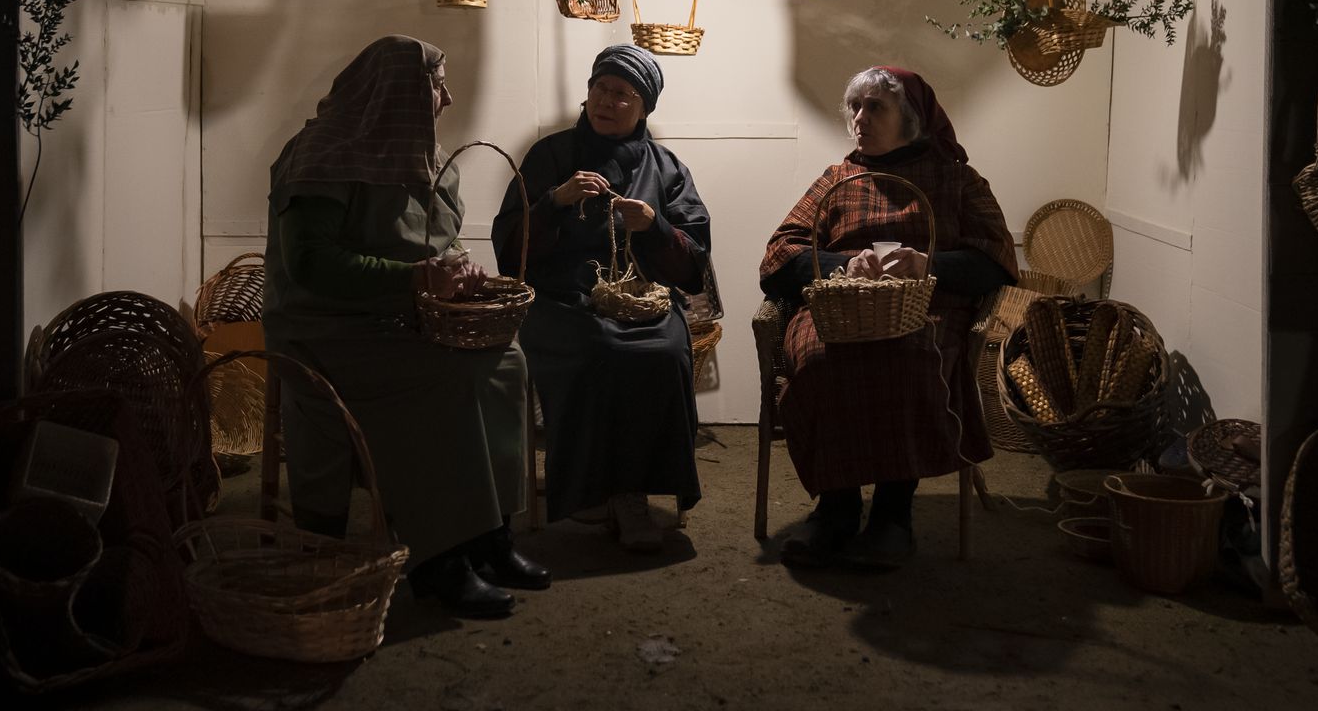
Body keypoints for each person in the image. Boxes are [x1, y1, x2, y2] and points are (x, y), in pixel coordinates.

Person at [262, 34, 547, 619]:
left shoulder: (416, 155)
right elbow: (311, 264)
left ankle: (488, 535)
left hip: (401, 316)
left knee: (505, 362)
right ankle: (438, 559)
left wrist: (457, 269)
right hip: (327, 328)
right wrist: (417, 278)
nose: (446, 97)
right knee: (440, 379)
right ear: (394, 93)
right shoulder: (321, 155)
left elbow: (433, 243)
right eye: (435, 84)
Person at [759, 65, 1016, 569]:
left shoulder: (955, 178)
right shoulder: (838, 179)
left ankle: (893, 517)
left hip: (927, 311)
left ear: (911, 118)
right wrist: (842, 264)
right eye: (855, 106)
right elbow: (778, 258)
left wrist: (930, 264)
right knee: (816, 359)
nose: (860, 118)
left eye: (875, 107)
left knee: (907, 358)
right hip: (840, 307)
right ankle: (836, 509)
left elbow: (997, 260)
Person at [491, 44, 710, 552]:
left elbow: (693, 261)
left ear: (644, 108)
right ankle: (597, 489)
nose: (607, 101)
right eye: (600, 89)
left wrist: (655, 227)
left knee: (664, 352)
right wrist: (555, 201)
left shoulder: (667, 167)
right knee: (599, 350)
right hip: (562, 297)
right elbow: (511, 250)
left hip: (644, 298)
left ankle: (627, 492)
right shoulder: (551, 156)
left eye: (622, 94)